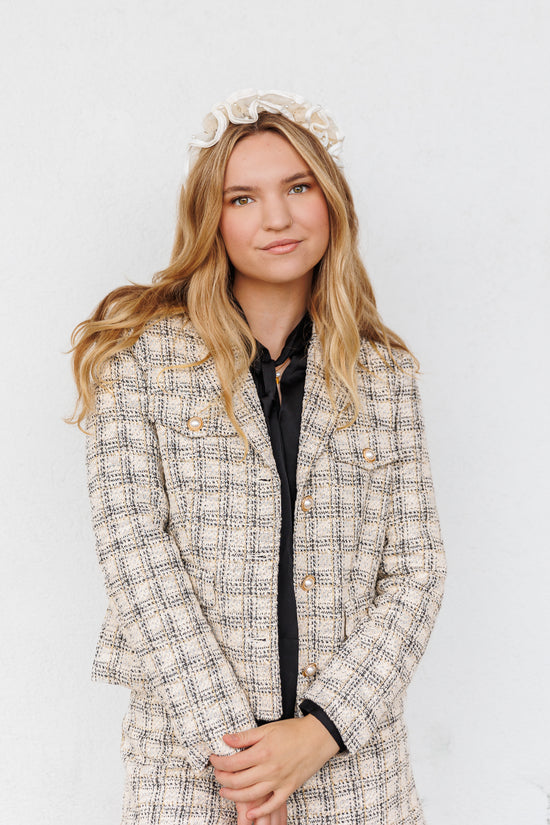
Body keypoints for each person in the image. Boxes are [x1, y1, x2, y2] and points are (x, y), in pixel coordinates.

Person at [68, 89, 446, 825]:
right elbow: (135, 554)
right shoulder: (137, 356)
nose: (277, 217)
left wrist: (319, 732)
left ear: (330, 201)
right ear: (211, 218)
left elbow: (417, 572)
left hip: (354, 772)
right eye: (243, 198)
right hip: (190, 767)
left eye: (297, 187)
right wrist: (242, 763)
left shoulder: (385, 374)